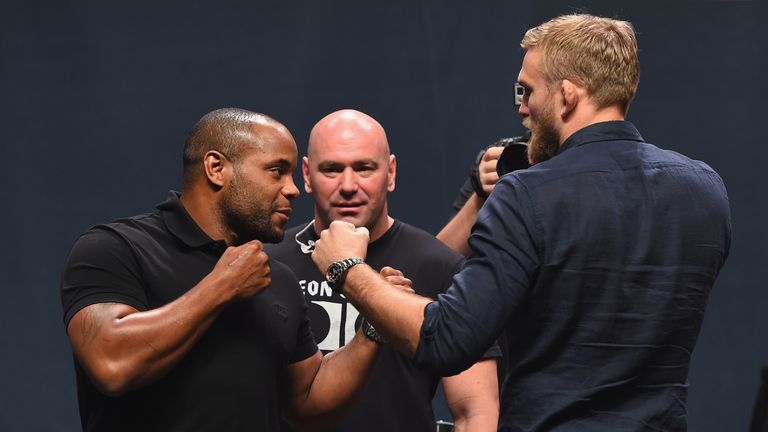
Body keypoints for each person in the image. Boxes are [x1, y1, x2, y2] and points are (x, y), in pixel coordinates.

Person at [309, 14, 732, 431]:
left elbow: (446, 339)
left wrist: (347, 269)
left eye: (527, 91)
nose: (523, 108)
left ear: (567, 95)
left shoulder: (528, 194)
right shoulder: (705, 190)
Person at [60, 108, 388, 431]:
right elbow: (112, 364)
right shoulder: (115, 249)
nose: (293, 189)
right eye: (276, 171)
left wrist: (374, 327)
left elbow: (307, 402)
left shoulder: (276, 277)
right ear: (216, 168)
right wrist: (222, 287)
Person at [265, 109, 500, 432]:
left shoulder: (440, 266)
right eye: (331, 170)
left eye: (364, 168)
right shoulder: (269, 264)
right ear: (306, 175)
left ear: (390, 172)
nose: (348, 186)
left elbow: (475, 413)